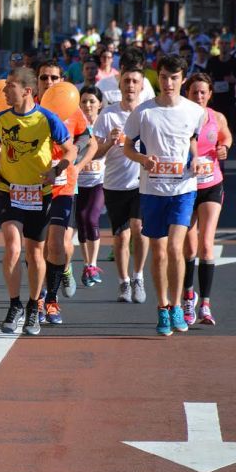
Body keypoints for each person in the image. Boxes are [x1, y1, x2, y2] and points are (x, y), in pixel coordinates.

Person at [0, 67, 74, 335]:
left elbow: (70, 148)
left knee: (36, 252)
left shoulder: (47, 119)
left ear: (26, 90)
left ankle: (34, 306)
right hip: (9, 190)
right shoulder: (0, 120)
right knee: (13, 247)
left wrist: (57, 170)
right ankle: (15, 305)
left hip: (39, 192)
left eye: (10, 85)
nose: (4, 90)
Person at [121, 55, 205, 335]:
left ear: (183, 79)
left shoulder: (195, 111)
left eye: (175, 78)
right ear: (158, 78)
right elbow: (127, 147)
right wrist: (142, 159)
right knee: (158, 253)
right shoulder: (143, 112)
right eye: (165, 77)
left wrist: (195, 159)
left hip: (183, 189)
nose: (169, 83)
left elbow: (192, 141)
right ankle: (163, 307)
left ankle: (179, 307)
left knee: (174, 248)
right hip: (152, 190)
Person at [37, 61, 95, 325]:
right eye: (44, 78)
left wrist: (76, 162)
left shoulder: (72, 108)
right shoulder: (29, 109)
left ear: (62, 80)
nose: (49, 82)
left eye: (54, 78)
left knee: (58, 244)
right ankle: (38, 297)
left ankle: (51, 299)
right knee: (37, 247)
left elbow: (87, 139)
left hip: (64, 185)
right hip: (32, 187)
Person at [93, 64, 150, 304]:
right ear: (120, 84)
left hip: (142, 183)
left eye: (135, 81)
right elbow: (95, 153)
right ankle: (124, 282)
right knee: (121, 237)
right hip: (115, 184)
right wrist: (108, 142)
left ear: (142, 85)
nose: (130, 86)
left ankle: (138, 277)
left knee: (138, 229)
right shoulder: (108, 114)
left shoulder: (148, 113)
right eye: (126, 81)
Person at [181, 73, 231, 326]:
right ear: (186, 93)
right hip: (186, 186)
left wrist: (224, 148)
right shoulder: (180, 116)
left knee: (207, 244)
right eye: (194, 92)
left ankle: (206, 305)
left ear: (210, 94)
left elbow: (226, 137)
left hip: (212, 184)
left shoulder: (217, 117)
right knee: (189, 248)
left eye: (203, 92)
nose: (199, 96)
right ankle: (188, 297)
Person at [74, 85, 106, 287]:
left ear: (100, 104)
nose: (88, 105)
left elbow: (103, 151)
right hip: (78, 181)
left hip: (98, 180)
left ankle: (93, 264)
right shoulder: (75, 125)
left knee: (91, 217)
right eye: (84, 101)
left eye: (92, 101)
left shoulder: (104, 124)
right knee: (81, 223)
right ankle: (87, 264)